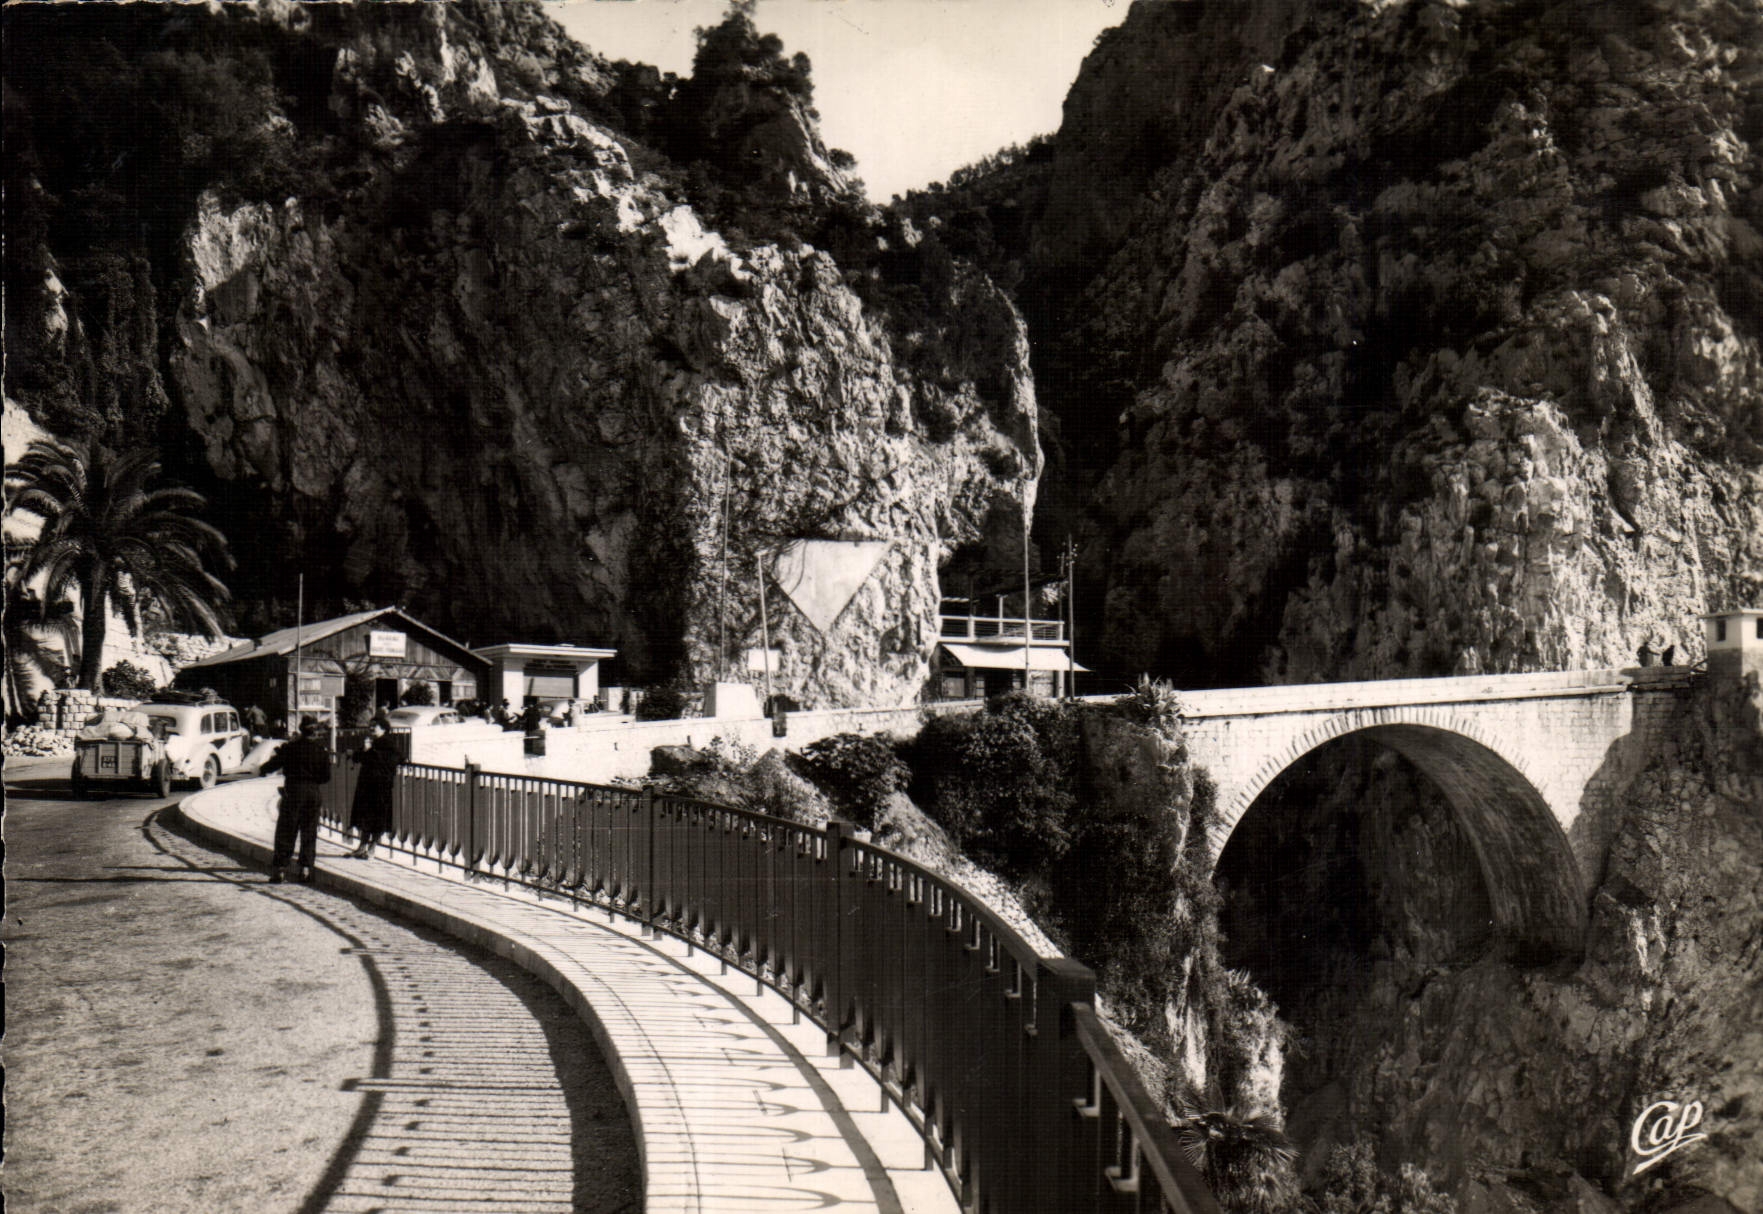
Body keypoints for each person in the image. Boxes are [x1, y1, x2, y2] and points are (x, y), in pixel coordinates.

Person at [260, 716, 331, 883]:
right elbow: (326, 777)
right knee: (309, 831)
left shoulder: (291, 748)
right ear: (315, 731)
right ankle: (305, 869)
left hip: (293, 791)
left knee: (286, 830)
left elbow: (271, 766)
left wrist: (263, 769)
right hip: (313, 793)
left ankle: (280, 869)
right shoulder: (321, 750)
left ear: (301, 729)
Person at [347, 717, 399, 859]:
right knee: (365, 816)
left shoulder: (389, 743)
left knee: (378, 818)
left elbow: (391, 761)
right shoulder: (371, 742)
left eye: (374, 726)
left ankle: (371, 849)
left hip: (381, 787)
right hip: (367, 786)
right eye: (370, 726)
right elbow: (358, 758)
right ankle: (362, 847)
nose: (371, 729)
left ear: (383, 728)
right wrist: (364, 750)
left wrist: (369, 752)